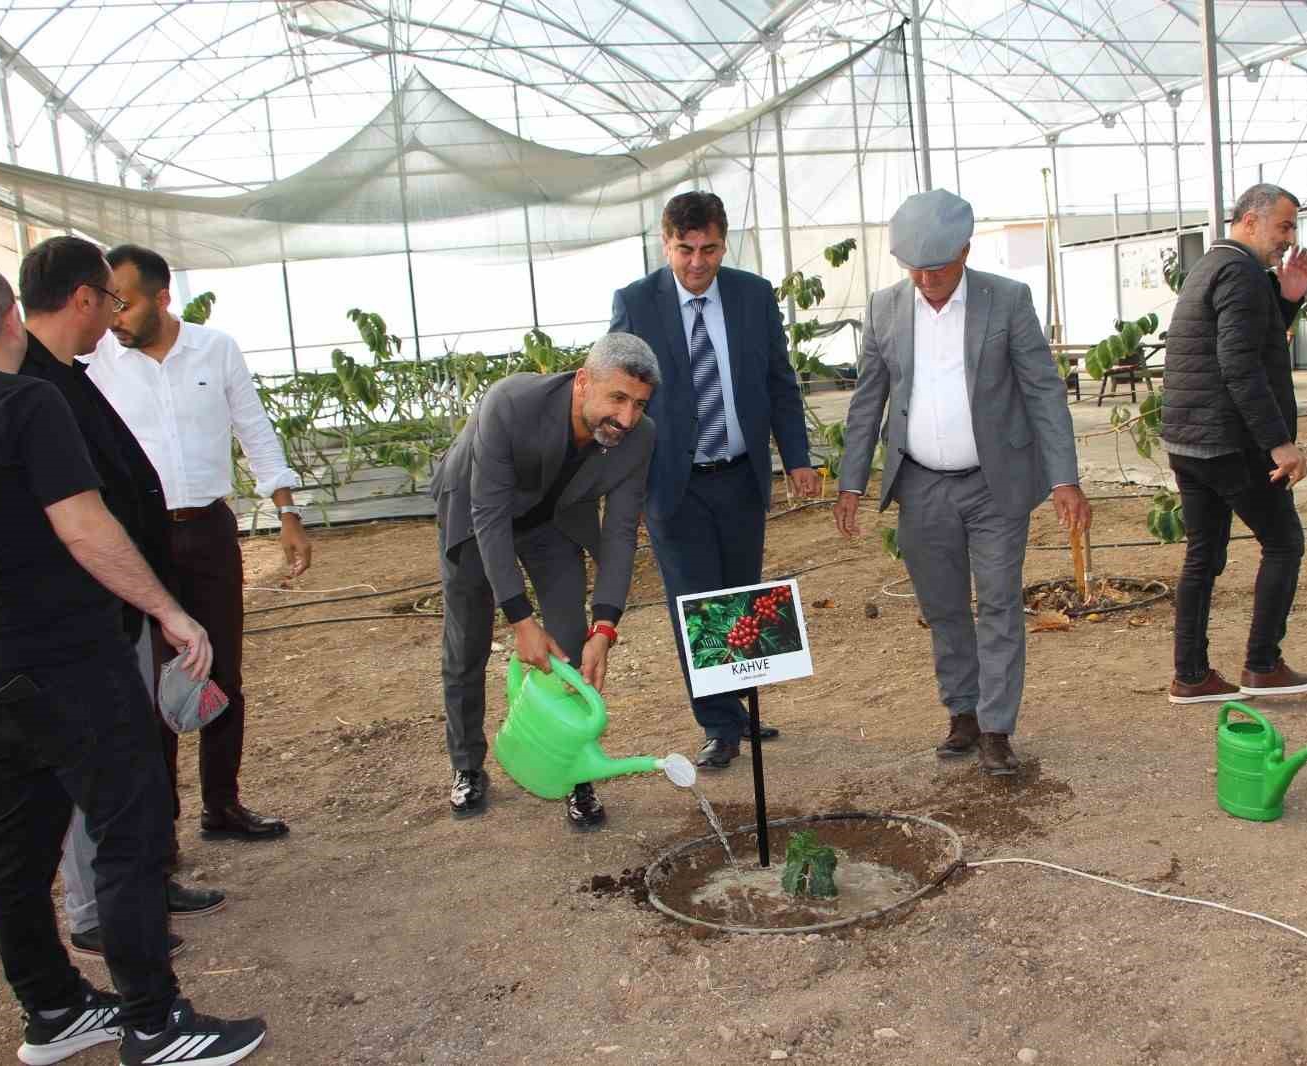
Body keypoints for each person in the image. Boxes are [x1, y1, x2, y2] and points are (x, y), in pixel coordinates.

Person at [0, 261, 267, 1066]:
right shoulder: (28, 402)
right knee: (130, 828)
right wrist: (168, 610)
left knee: (17, 848)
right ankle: (153, 1022)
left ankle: (54, 1011)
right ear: (8, 324)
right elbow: (84, 526)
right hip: (64, 655)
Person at [19, 236, 227, 959]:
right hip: (78, 613)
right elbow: (75, 517)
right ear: (83, 298)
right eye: (108, 300)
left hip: (118, 602)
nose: (113, 315)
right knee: (89, 763)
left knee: (131, 752)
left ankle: (141, 882)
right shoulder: (30, 385)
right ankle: (93, 910)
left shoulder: (63, 376)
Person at [834, 188, 1090, 775]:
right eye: (915, 270)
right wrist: (851, 482)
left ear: (966, 251)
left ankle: (998, 728)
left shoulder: (1007, 301)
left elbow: (1044, 392)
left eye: (939, 268)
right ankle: (964, 712)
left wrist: (1064, 479)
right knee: (944, 607)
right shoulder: (885, 308)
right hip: (921, 485)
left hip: (995, 483)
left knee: (999, 602)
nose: (927, 281)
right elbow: (867, 400)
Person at [85, 244, 309, 842]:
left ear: (161, 298)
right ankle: (161, 825)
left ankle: (222, 805)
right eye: (108, 303)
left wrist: (286, 511)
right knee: (155, 679)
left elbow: (254, 430)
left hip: (209, 530)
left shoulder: (216, 349)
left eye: (124, 303)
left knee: (222, 672)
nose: (114, 317)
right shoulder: (98, 360)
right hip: (140, 538)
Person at [610, 191, 820, 770]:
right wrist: (622, 488)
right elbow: (617, 394)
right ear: (665, 243)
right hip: (673, 482)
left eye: (709, 249)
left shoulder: (752, 296)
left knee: (739, 596)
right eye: (686, 250)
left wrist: (796, 458)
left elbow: (780, 381)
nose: (698, 262)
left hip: (740, 476)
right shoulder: (636, 303)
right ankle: (718, 724)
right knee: (696, 601)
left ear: (725, 243)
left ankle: (740, 705)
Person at [429, 334, 658, 826]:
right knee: (467, 639)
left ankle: (575, 772)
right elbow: (489, 515)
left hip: (551, 519)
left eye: (639, 404)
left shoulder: (639, 438)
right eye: (617, 399)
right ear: (582, 382)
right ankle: (468, 765)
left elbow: (619, 534)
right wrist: (519, 618)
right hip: (475, 512)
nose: (627, 419)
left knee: (571, 637)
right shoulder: (510, 403)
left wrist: (606, 627)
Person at [1160, 183, 1307, 705]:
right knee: (1284, 542)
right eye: (1284, 227)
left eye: (1292, 228)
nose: (1288, 240)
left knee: (1203, 555)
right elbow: (1240, 366)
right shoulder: (1241, 273)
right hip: (1230, 442)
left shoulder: (1213, 267)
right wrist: (1279, 444)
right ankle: (1263, 665)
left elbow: (1245, 341)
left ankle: (1191, 675)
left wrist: (1288, 301)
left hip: (1189, 439)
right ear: (1249, 222)